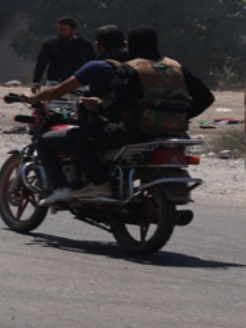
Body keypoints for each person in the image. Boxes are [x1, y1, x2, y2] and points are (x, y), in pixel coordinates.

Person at [30, 26, 214, 205]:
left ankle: (99, 184)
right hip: (176, 132)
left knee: (72, 137)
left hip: (136, 131)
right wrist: (180, 117)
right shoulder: (177, 67)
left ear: (130, 45)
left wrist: (98, 106)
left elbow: (118, 105)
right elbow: (206, 98)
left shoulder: (130, 69)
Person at [31, 16, 97, 94]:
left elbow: (92, 63)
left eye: (65, 30)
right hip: (54, 82)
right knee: (53, 106)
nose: (61, 32)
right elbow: (41, 63)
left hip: (77, 83)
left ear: (73, 31)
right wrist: (36, 81)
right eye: (60, 29)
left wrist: (94, 82)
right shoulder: (50, 44)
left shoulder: (84, 44)